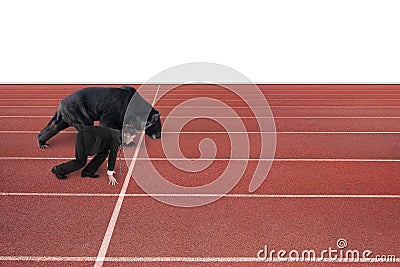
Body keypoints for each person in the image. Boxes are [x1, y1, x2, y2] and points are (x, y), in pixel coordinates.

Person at [51, 125, 137, 185]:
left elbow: (111, 153)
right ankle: (58, 170)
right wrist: (110, 174)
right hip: (84, 137)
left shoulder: (118, 135)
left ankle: (88, 172)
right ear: (127, 135)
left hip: (89, 136)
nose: (132, 140)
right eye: (132, 137)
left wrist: (110, 167)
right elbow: (113, 155)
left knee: (104, 153)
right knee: (80, 162)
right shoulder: (116, 138)